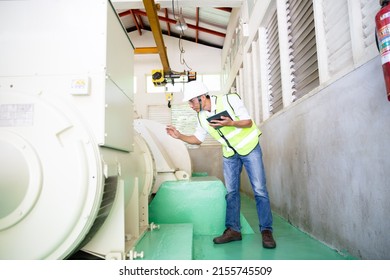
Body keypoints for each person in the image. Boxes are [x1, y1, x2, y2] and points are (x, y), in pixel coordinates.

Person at [165, 80, 276, 249]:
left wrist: (230, 123)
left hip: (249, 147)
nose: (191, 106)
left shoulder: (230, 100)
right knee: (231, 192)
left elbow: (248, 122)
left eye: (192, 101)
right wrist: (179, 135)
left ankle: (266, 231)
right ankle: (233, 230)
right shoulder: (201, 116)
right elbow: (197, 140)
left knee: (259, 190)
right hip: (230, 153)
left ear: (202, 97)